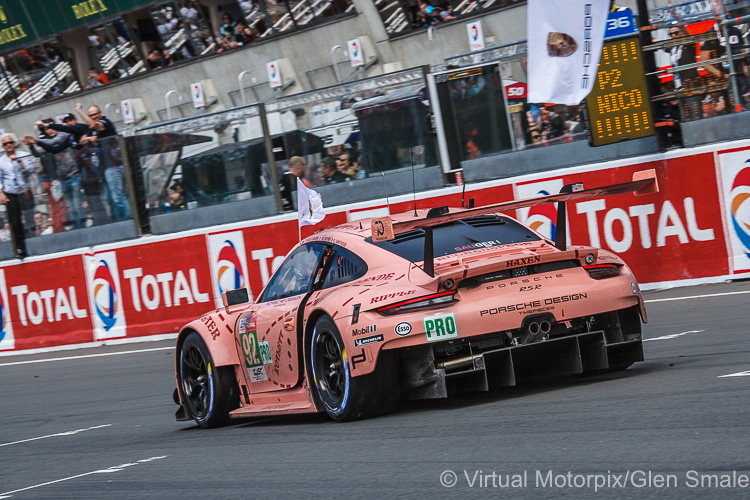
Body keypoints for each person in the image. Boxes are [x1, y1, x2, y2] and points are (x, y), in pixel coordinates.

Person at [23, 120, 86, 229]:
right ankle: (76, 231)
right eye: (47, 129)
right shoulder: (46, 141)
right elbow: (37, 154)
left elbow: (54, 142)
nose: (50, 130)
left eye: (51, 127)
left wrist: (36, 141)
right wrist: (31, 146)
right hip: (62, 178)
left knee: (77, 206)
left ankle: (83, 229)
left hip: (73, 175)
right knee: (70, 207)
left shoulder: (63, 135)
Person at [76, 102, 130, 222]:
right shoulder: (93, 128)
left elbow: (95, 125)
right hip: (103, 167)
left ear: (100, 113)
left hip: (113, 165)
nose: (93, 117)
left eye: (95, 114)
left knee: (118, 197)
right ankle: (118, 220)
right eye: (91, 115)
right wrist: (90, 138)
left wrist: (80, 111)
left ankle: (128, 220)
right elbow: (82, 140)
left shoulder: (105, 122)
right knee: (109, 199)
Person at [0, 134, 35, 258]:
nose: (8, 145)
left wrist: (19, 162)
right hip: (11, 193)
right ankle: (21, 249)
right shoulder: (1, 160)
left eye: (10, 142)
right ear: (2, 146)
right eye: (5, 144)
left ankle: (34, 243)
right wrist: (1, 194)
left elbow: (30, 171)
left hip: (24, 191)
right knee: (15, 222)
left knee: (30, 218)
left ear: (14, 143)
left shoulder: (23, 155)